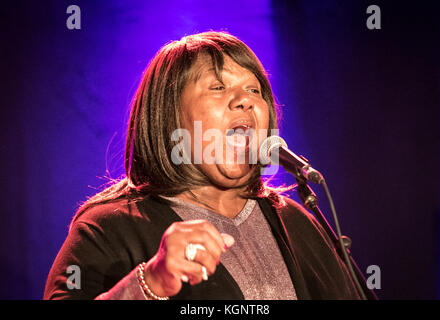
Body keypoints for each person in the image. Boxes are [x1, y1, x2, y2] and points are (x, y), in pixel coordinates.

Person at [44, 31, 361, 300]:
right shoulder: (109, 227)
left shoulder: (295, 221)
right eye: (218, 87)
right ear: (169, 115)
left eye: (254, 90)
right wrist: (150, 283)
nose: (245, 100)